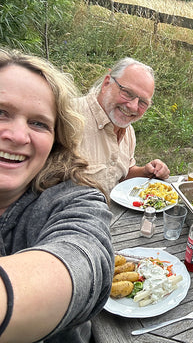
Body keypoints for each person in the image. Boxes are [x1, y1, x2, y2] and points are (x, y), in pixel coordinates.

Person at [0, 48, 114, 342]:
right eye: (1, 112)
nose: (17, 135)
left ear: (55, 141)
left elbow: (84, 256)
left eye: (38, 123)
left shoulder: (75, 201)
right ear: (107, 83)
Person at [77, 57, 170, 193]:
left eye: (143, 102)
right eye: (127, 93)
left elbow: (120, 175)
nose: (133, 107)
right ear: (106, 83)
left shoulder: (128, 131)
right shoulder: (70, 118)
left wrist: (146, 171)